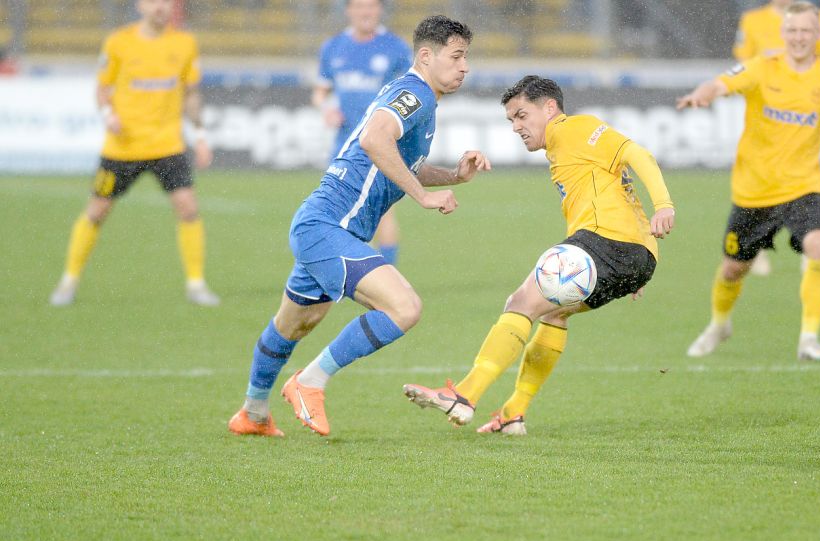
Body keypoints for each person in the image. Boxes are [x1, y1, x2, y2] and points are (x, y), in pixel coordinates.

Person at [228, 16, 490, 438]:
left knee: (294, 324)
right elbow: (373, 140)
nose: (464, 67)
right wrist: (422, 198)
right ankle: (310, 381)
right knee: (404, 308)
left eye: (466, 58)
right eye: (457, 56)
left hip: (323, 227)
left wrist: (455, 176)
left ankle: (252, 414)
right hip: (328, 227)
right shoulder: (414, 93)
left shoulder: (419, 97)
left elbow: (400, 165)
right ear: (426, 56)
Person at [402, 75, 676, 435]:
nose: (516, 126)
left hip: (607, 243)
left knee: (520, 304)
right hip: (633, 257)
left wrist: (664, 205)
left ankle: (464, 396)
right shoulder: (562, 152)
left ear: (549, 107)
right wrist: (634, 264)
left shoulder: (575, 129)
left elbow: (637, 153)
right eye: (511, 120)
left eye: (521, 115)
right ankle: (514, 413)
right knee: (555, 314)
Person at [679, 1, 820, 362]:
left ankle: (808, 339)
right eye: (792, 30)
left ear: (818, 34)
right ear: (783, 33)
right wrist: (703, 94)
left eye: (805, 31)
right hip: (753, 191)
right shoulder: (762, 68)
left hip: (803, 188)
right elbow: (720, 83)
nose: (798, 37)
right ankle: (720, 324)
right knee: (734, 268)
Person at [49, 0, 217, 307]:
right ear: (140, 6)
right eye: (154, 1)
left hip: (168, 145)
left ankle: (196, 284)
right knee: (97, 211)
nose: (161, 7)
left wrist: (201, 135)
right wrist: (108, 114)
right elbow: (102, 89)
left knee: (188, 209)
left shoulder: (184, 43)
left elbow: (191, 93)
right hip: (122, 148)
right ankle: (68, 280)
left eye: (167, 2)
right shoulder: (119, 42)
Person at [733, 0, 820, 277]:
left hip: (807, 111)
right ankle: (753, 248)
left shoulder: (817, 17)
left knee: (804, 174)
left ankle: (810, 243)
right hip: (767, 117)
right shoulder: (752, 20)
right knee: (761, 178)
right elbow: (744, 67)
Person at [313, 0, 413, 266]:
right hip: (345, 145)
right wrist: (326, 109)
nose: (365, 12)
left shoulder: (395, 47)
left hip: (383, 143)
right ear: (349, 10)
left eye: (371, 6)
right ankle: (359, 270)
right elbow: (321, 91)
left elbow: (410, 92)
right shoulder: (333, 47)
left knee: (382, 213)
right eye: (359, 6)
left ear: (380, 10)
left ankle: (386, 273)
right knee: (338, 212)